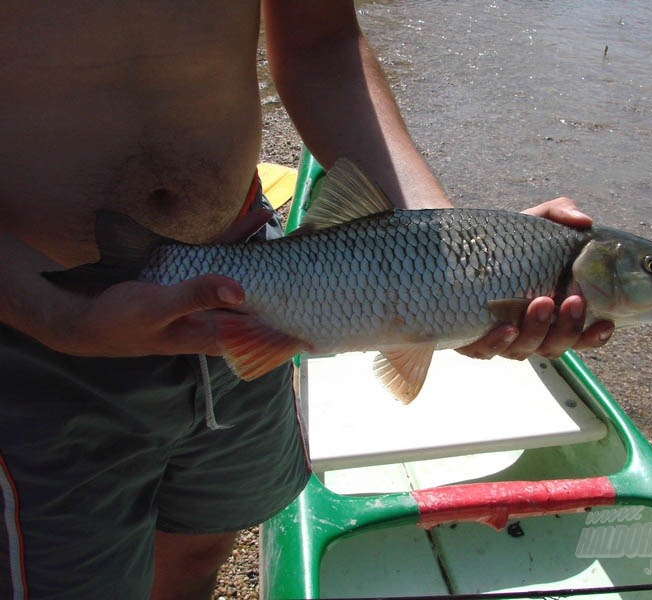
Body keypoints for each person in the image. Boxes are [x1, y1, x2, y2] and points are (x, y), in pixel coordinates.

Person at [0, 2, 614, 598]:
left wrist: (449, 247)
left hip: (258, 291)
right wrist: (58, 316)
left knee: (201, 545)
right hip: (34, 321)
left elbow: (324, 47)